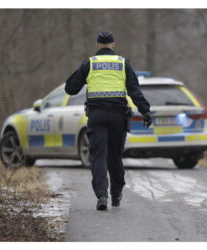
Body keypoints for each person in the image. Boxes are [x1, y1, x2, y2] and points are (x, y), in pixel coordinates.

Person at [65, 31, 152, 210]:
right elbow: (134, 91)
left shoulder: (90, 63)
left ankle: (102, 196)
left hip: (96, 116)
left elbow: (70, 89)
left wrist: (81, 72)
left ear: (97, 45)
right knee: (115, 156)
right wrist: (146, 111)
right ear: (113, 45)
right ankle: (116, 194)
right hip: (118, 116)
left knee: (98, 156)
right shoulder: (123, 63)